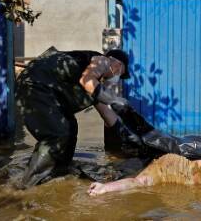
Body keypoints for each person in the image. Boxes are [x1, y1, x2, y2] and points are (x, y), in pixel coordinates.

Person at [15, 47, 134, 188]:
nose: (118, 78)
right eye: (121, 74)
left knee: (70, 127)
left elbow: (106, 114)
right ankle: (25, 186)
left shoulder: (95, 83)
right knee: (58, 135)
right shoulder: (103, 61)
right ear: (118, 65)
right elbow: (87, 80)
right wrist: (114, 99)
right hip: (35, 84)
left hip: (41, 86)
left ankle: (59, 170)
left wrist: (128, 136)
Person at [88, 154, 201, 196]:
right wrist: (105, 188)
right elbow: (139, 182)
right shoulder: (166, 167)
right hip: (169, 169)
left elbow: (139, 182)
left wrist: (105, 188)